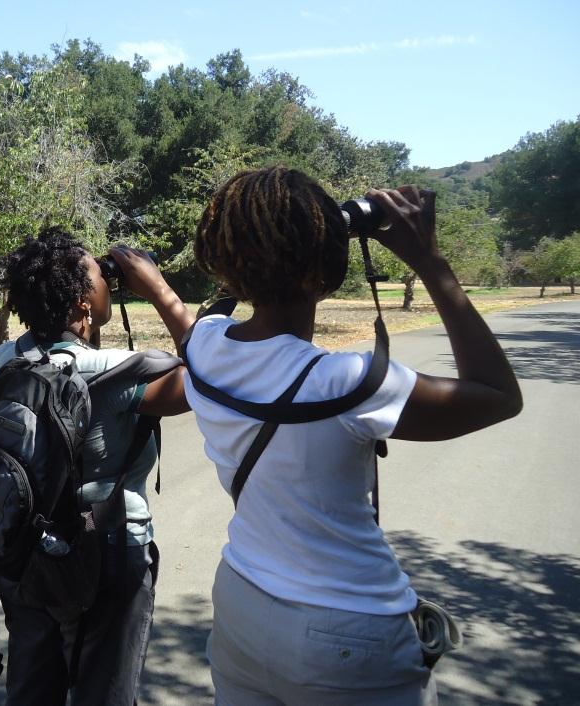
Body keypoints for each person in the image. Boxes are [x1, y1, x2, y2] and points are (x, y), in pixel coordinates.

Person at [184, 166, 523, 705]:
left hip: (242, 600)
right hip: (349, 633)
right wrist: (429, 261)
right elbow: (498, 395)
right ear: (327, 265)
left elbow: (217, 308)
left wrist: (255, 247)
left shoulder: (203, 346)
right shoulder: (347, 381)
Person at [0, 227, 195, 706]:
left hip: (24, 550)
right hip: (107, 553)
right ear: (84, 303)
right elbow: (208, 375)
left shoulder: (4, 361)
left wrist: (81, 317)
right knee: (105, 692)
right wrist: (159, 289)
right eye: (102, 277)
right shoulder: (122, 372)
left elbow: (65, 356)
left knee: (32, 689)